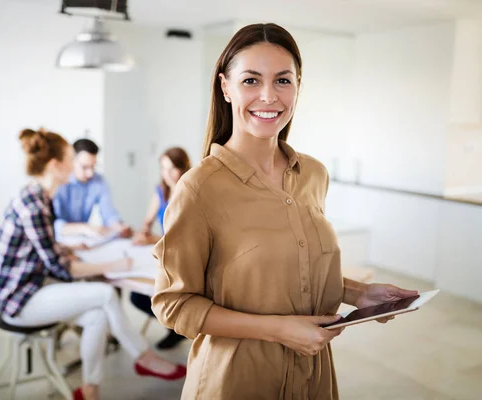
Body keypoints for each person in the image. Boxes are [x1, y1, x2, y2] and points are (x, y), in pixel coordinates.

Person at [150, 23, 418, 399]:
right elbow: (174, 305)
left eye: (282, 81)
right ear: (225, 87)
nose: (268, 96)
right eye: (250, 81)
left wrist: (359, 295)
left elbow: (287, 272)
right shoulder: (198, 188)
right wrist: (279, 330)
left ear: (298, 87)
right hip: (235, 380)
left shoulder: (314, 174)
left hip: (313, 379)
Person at [0, 129, 186, 400]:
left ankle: (90, 390)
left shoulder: (36, 197)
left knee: (97, 316)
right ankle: (146, 358)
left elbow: (42, 248)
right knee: (105, 293)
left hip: (29, 288)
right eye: (71, 160)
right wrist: (114, 265)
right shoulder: (35, 206)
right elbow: (62, 269)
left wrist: (66, 249)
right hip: (18, 301)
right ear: (56, 166)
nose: (75, 167)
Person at [130, 147, 191, 350]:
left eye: (172, 168)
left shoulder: (191, 192)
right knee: (136, 296)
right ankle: (173, 327)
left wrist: (151, 239)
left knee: (159, 291)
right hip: (163, 252)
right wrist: (144, 230)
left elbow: (183, 238)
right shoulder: (162, 190)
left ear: (183, 168)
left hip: (183, 256)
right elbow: (148, 219)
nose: (167, 174)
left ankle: (178, 326)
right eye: (163, 168)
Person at [52, 138, 132, 242]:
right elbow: (53, 224)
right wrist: (84, 228)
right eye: (84, 167)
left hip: (84, 242)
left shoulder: (98, 181)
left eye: (93, 167)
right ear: (72, 161)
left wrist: (119, 227)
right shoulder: (59, 183)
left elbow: (109, 214)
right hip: (59, 241)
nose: (90, 173)